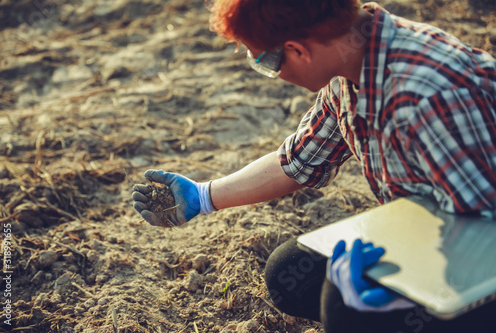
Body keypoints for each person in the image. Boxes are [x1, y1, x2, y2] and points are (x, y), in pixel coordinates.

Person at [132, 0, 496, 332]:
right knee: (290, 272)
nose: (266, 71)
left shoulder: (428, 94)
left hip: (479, 245)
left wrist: (415, 290)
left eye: (264, 62)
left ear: (298, 50)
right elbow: (299, 160)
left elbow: (484, 224)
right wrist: (203, 195)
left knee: (345, 310)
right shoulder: (351, 63)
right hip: (437, 225)